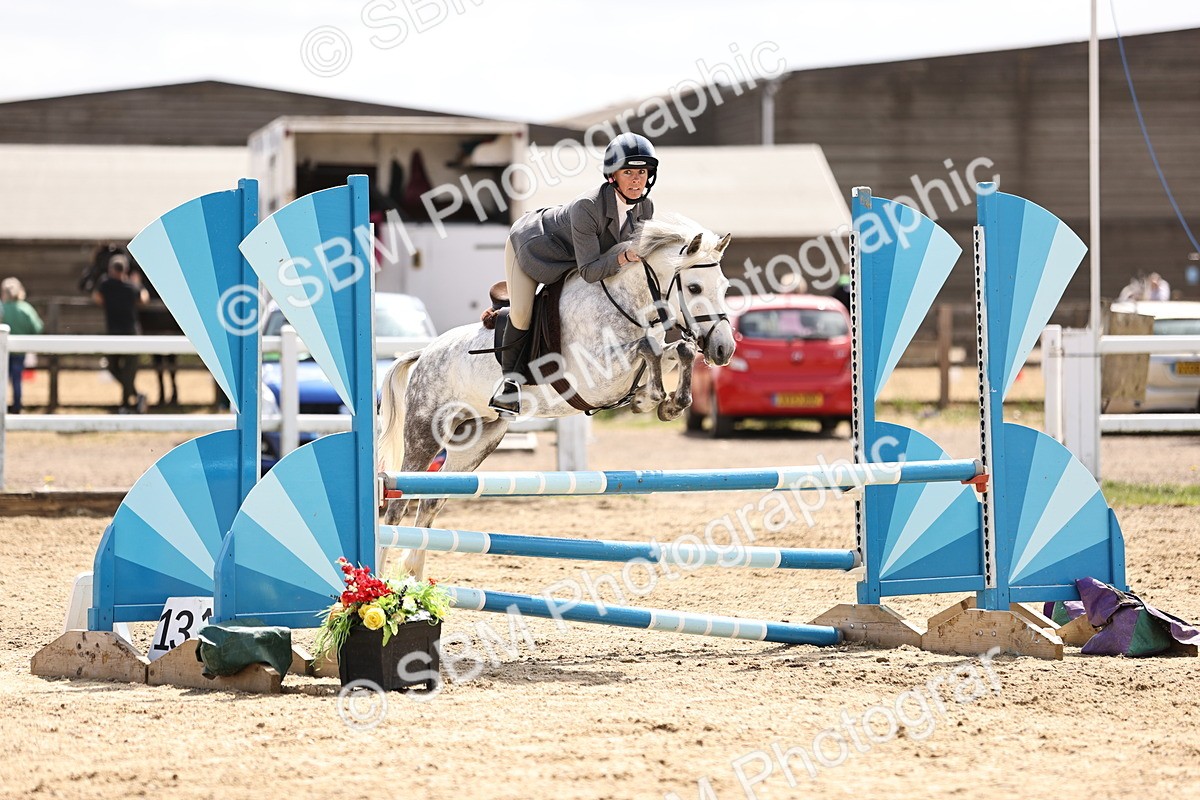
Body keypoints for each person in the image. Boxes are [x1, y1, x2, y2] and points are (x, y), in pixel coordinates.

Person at [489, 132, 659, 414]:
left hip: (576, 256)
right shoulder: (587, 207)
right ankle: (509, 386)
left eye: (642, 172)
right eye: (628, 172)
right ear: (612, 175)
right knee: (522, 313)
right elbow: (592, 271)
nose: (636, 179)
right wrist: (626, 255)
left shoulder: (645, 207)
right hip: (534, 247)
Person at [92, 254, 149, 413]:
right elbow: (144, 299)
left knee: (113, 367)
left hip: (114, 334)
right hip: (132, 333)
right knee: (128, 371)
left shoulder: (105, 284)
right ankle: (136, 397)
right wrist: (139, 285)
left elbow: (96, 298)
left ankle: (126, 404)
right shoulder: (132, 286)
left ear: (111, 269)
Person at [1, 277, 43, 414]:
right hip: (19, 351)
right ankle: (17, 406)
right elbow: (37, 327)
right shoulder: (25, 309)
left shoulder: (2, 308)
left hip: (2, 351)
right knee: (17, 379)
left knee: (2, 379)